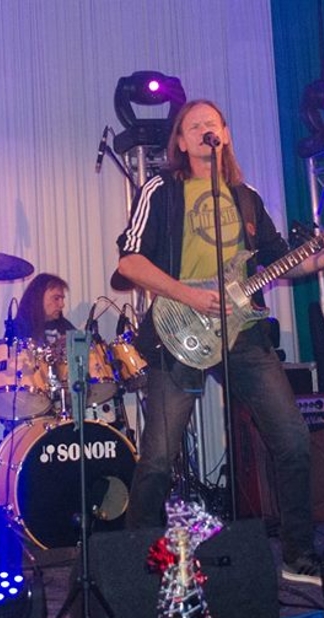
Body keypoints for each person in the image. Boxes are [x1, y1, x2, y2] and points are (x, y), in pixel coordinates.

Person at [116, 98, 324, 585]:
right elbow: (129, 261)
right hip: (178, 329)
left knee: (293, 441)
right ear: (181, 141)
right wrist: (189, 294)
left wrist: (316, 258)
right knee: (159, 458)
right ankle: (130, 566)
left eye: (212, 122)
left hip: (244, 334)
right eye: (193, 125)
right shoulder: (161, 189)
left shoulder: (246, 197)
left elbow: (279, 259)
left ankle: (297, 555)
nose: (204, 129)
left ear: (224, 135)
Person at [10, 272, 76, 344]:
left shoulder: (64, 325)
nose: (62, 304)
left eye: (62, 299)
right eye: (56, 298)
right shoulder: (19, 328)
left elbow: (82, 345)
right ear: (38, 297)